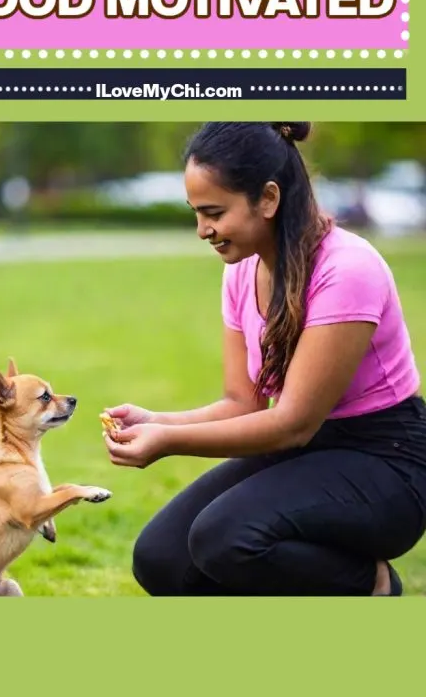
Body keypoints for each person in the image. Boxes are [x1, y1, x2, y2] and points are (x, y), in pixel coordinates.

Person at [103, 122, 426, 597]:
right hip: (306, 452)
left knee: (226, 538)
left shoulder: (348, 270)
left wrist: (168, 441)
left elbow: (293, 422)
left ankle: (370, 587)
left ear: (268, 199)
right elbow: (243, 403)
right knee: (161, 558)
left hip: (386, 464)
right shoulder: (242, 272)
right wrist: (157, 420)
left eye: (213, 212)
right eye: (195, 213)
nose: (202, 230)